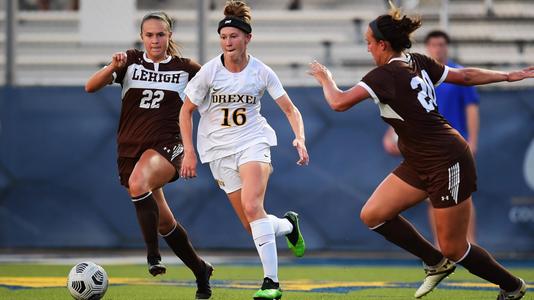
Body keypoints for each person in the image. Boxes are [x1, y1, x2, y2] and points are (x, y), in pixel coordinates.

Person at [308, 4, 531, 300]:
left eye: (369, 43)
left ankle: (512, 285)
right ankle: (435, 262)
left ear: (383, 44)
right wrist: (505, 76)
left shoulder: (384, 75)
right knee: (374, 214)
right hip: (419, 159)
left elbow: (338, 102)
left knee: (455, 247)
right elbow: (464, 77)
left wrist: (325, 78)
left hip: (446, 159)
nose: (368, 49)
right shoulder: (417, 61)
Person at [180, 1, 309, 299]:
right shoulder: (209, 72)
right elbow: (185, 111)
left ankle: (271, 284)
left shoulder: (262, 72)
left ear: (247, 38)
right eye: (224, 37)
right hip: (217, 151)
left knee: (253, 207)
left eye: (234, 36)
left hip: (253, 142)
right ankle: (288, 225)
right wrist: (189, 151)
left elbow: (291, 110)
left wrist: (299, 138)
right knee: (253, 224)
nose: (228, 42)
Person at [85, 12, 213, 299]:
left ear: (170, 36)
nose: (155, 40)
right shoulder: (129, 61)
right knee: (164, 221)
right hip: (131, 148)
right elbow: (90, 86)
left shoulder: (187, 68)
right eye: (149, 35)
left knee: (139, 183)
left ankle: (153, 255)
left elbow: (216, 88)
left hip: (168, 144)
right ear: (142, 37)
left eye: (161, 34)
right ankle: (200, 270)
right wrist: (112, 68)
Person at [383, 29, 480, 245]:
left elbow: (471, 108)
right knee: (431, 196)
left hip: (454, 144)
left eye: (442, 45)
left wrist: (472, 140)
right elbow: (406, 108)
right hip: (428, 146)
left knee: (462, 195)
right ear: (427, 48)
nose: (438, 49)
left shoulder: (456, 73)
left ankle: (470, 242)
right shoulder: (417, 74)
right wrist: (391, 133)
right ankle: (440, 243)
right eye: (434, 45)